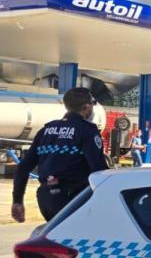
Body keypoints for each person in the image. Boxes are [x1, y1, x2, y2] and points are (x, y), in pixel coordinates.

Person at [11, 87, 110, 222]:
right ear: (86, 107)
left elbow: (23, 167)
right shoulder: (87, 131)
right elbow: (98, 170)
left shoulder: (45, 130)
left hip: (45, 197)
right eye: (93, 104)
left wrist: (17, 200)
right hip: (74, 198)